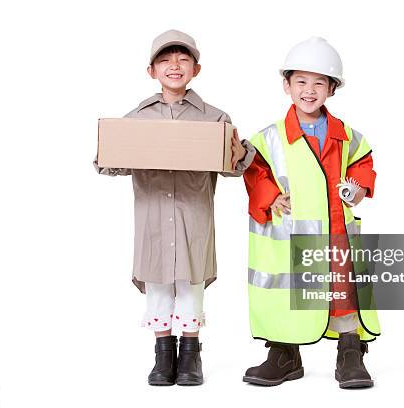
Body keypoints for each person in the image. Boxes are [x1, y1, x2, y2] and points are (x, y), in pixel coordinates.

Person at [93, 29, 255, 386]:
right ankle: (163, 355)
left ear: (196, 69)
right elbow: (109, 163)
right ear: (151, 70)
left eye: (183, 59)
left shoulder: (214, 118)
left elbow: (236, 167)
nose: (174, 66)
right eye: (165, 60)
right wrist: (107, 150)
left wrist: (238, 149)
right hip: (152, 217)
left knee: (191, 284)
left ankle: (191, 356)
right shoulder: (136, 118)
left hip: (193, 216)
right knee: (159, 286)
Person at [242, 37, 380, 388]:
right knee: (287, 292)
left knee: (341, 288)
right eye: (301, 81)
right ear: (286, 85)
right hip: (288, 234)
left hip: (335, 228)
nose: (309, 90)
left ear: (332, 89)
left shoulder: (346, 135)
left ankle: (350, 350)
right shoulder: (269, 137)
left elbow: (363, 162)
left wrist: (360, 186)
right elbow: (255, 170)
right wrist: (270, 195)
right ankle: (284, 353)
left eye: (319, 82)